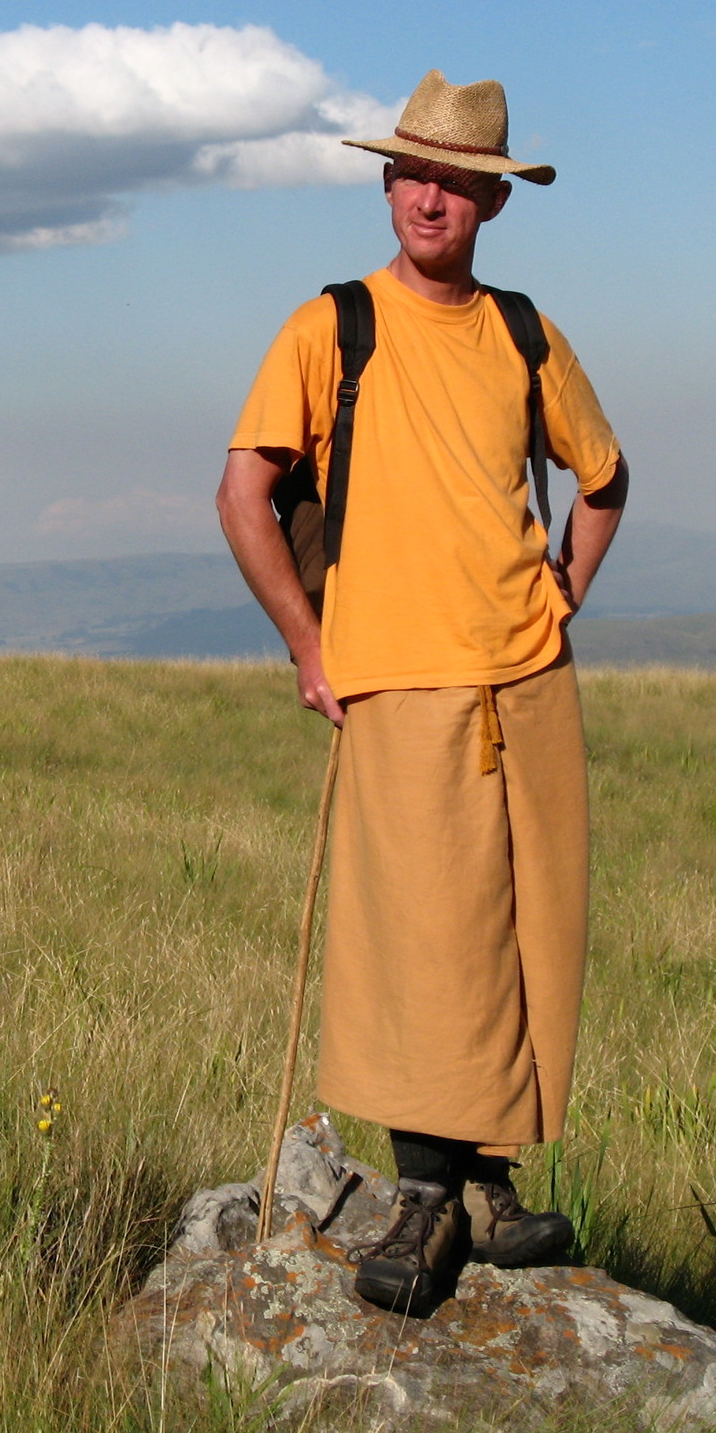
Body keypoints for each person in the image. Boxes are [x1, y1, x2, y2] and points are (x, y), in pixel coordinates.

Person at [215, 70, 628, 1316]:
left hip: (528, 678)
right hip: (396, 679)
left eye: (457, 181)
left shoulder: (521, 332)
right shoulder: (327, 325)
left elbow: (602, 479)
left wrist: (563, 595)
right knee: (419, 944)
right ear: (386, 184)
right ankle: (428, 1198)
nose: (430, 198)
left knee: (521, 935)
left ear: (491, 203)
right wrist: (307, 644)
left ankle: (488, 1187)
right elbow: (243, 496)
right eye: (413, 174)